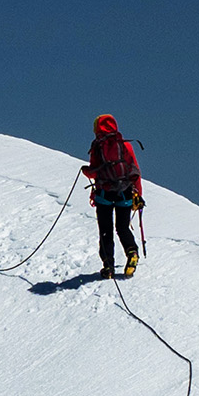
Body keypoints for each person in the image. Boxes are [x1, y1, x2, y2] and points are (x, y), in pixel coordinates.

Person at [81, 114, 142, 279]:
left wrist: (85, 171)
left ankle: (108, 266)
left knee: (105, 230)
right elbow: (135, 171)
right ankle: (132, 251)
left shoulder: (97, 146)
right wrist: (138, 194)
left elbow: (94, 171)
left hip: (104, 194)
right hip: (125, 193)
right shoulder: (125, 145)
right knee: (122, 227)